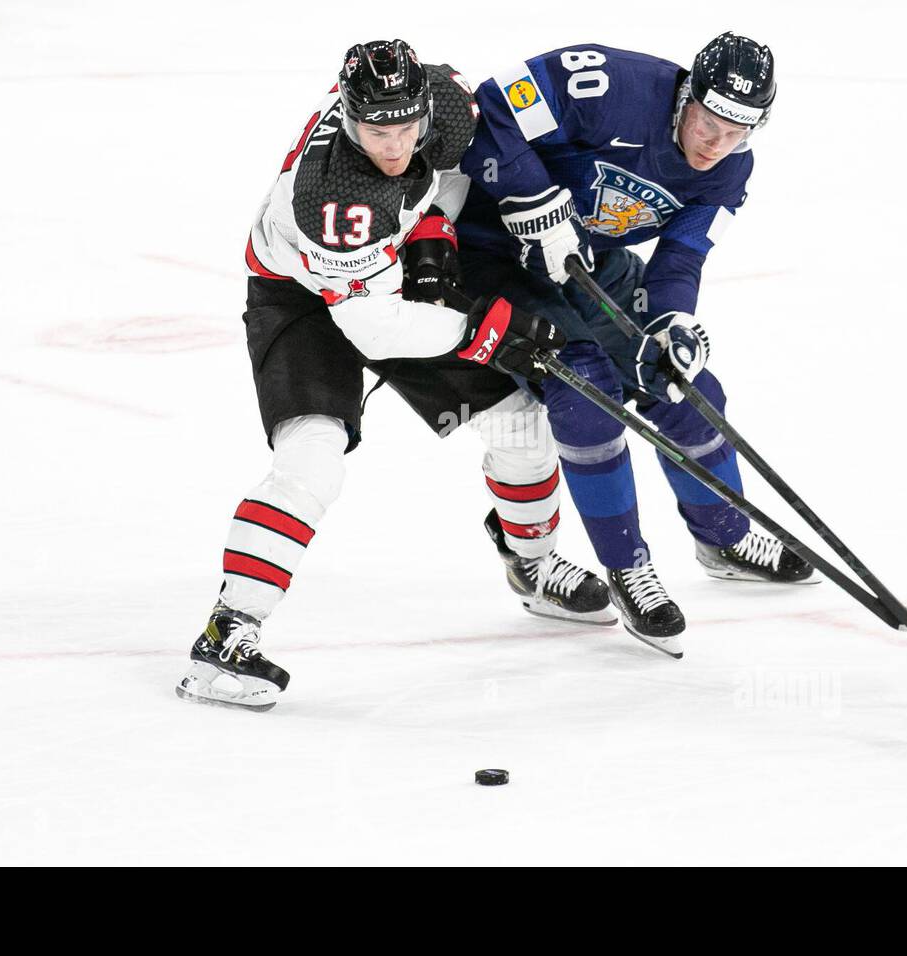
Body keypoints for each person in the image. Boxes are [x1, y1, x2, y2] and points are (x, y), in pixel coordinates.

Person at [177, 40, 614, 712]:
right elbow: (372, 327)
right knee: (313, 459)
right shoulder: (335, 198)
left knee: (522, 425)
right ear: (349, 117)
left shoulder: (441, 99)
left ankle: (532, 565)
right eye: (379, 133)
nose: (396, 145)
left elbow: (459, 162)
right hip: (301, 300)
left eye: (407, 129)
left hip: (385, 278)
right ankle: (228, 630)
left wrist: (434, 227)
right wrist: (486, 333)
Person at [456, 33, 815, 658]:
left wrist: (672, 319)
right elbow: (490, 107)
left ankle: (724, 537)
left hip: (587, 262)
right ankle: (628, 568)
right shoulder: (607, 86)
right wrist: (529, 196)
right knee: (585, 390)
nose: (715, 145)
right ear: (687, 97)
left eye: (736, 133)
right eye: (709, 123)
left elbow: (682, 254)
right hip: (489, 257)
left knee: (683, 386)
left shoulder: (731, 168)